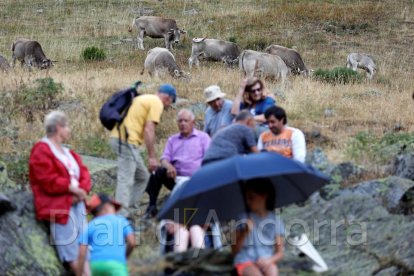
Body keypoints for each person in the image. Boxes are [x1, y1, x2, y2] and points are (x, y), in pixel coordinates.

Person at [29, 110, 91, 275]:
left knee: (85, 249)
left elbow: (84, 173)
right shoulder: (41, 150)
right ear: (58, 127)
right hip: (60, 208)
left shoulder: (68, 153)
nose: (69, 130)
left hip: (78, 205)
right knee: (72, 254)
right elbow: (46, 178)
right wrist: (71, 188)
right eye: (67, 126)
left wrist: (83, 190)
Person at [109, 83, 176, 217]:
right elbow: (149, 128)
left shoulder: (144, 98)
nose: (168, 107)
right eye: (171, 103)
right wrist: (152, 157)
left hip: (123, 139)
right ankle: (118, 217)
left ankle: (125, 209)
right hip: (126, 141)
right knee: (126, 179)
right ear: (168, 98)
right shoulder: (157, 103)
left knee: (142, 177)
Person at [144, 109, 211, 218]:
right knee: (157, 171)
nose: (183, 123)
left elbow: (209, 158)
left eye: (186, 120)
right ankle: (151, 206)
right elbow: (164, 158)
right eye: (180, 121)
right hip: (176, 178)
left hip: (196, 180)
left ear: (193, 123)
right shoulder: (173, 139)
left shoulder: (203, 138)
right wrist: (169, 166)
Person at [232, 178, 285, 276]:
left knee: (272, 273)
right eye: (246, 198)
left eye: (251, 197)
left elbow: (280, 253)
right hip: (245, 260)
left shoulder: (276, 221)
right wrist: (245, 232)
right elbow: (234, 250)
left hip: (266, 260)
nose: (248, 202)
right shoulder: (242, 218)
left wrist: (269, 261)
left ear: (264, 196)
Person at [77, 193, 136, 276]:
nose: (115, 211)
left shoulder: (91, 225)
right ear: (106, 207)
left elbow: (82, 252)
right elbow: (132, 243)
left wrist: (79, 274)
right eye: (114, 207)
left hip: (96, 265)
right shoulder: (121, 221)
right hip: (117, 264)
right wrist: (124, 257)